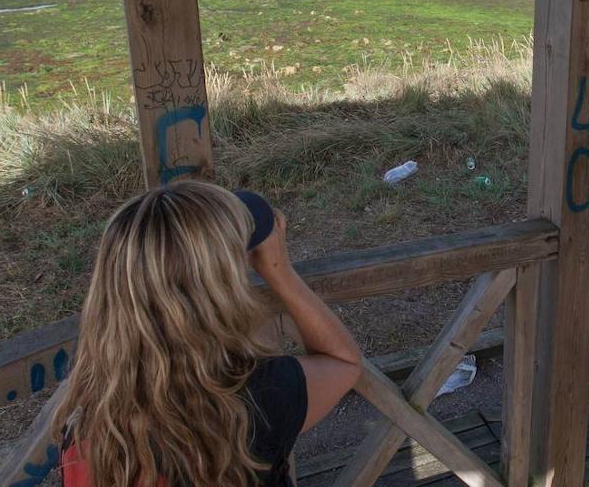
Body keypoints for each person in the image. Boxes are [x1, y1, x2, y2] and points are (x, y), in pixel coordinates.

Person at [54, 181, 362, 487]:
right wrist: (280, 271)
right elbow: (343, 362)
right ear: (218, 293)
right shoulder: (253, 402)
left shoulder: (88, 417)